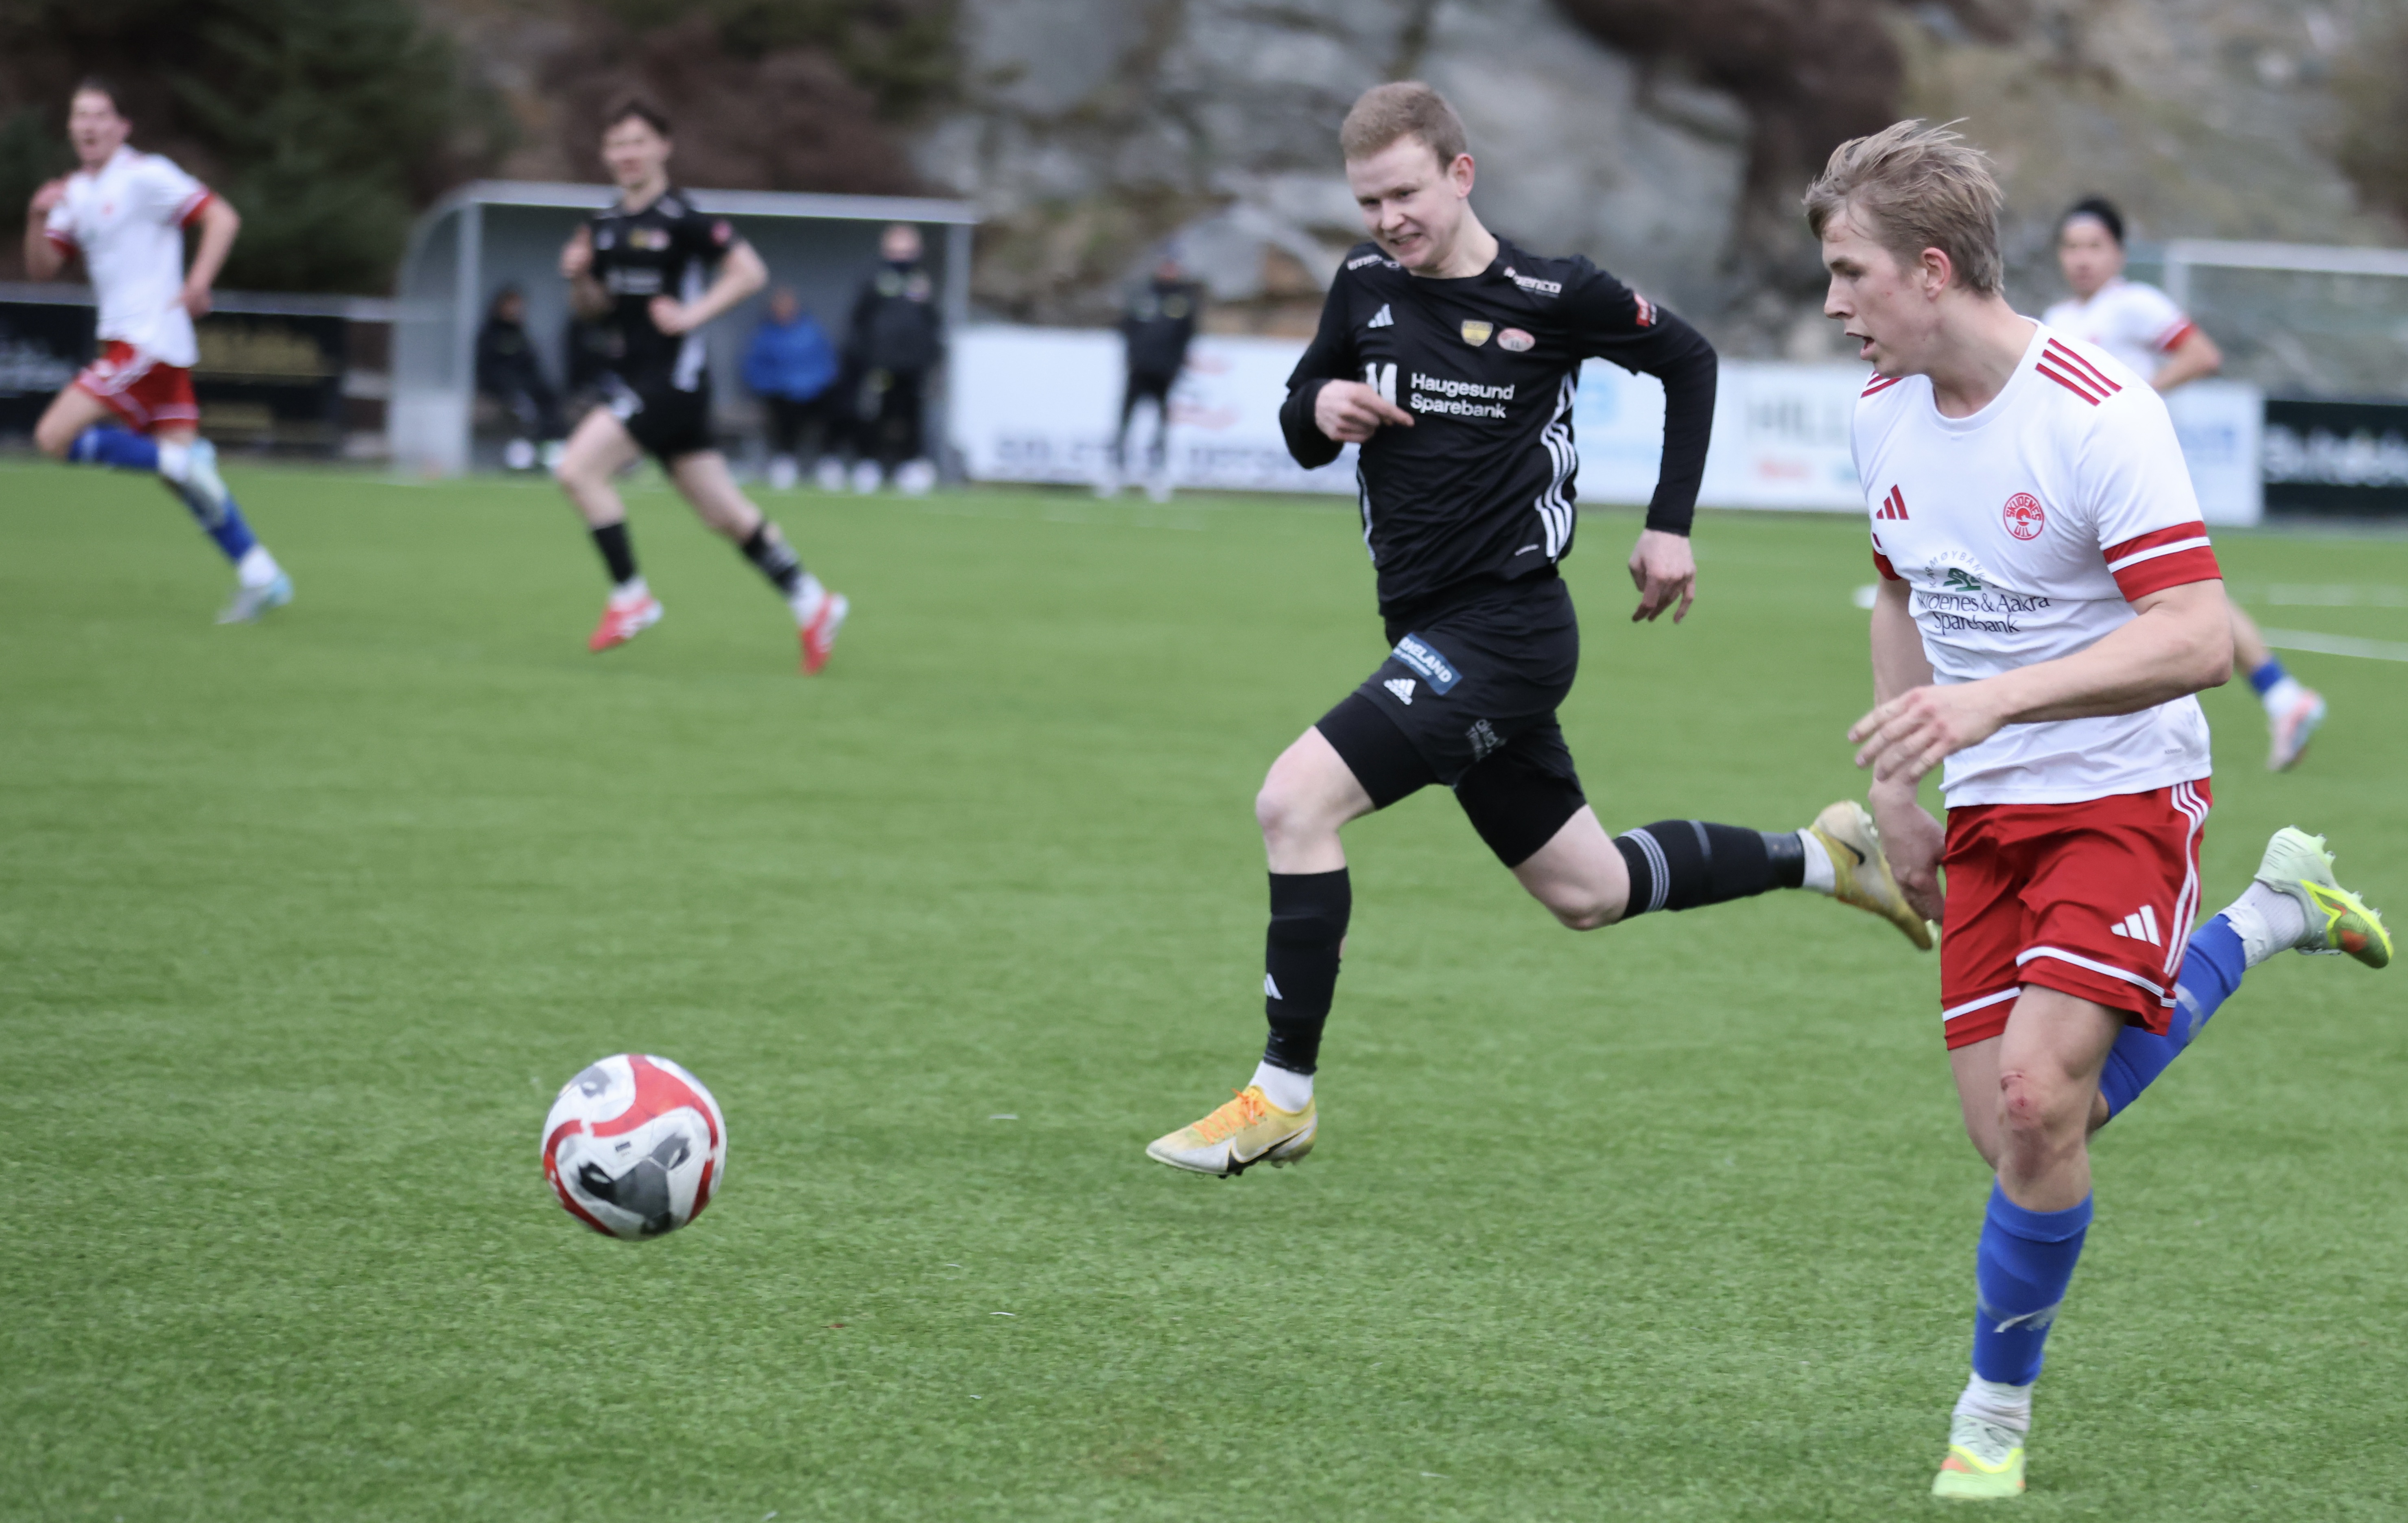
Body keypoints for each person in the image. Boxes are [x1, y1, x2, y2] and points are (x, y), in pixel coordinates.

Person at [1143, 82, 1934, 1180]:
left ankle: (1279, 1095)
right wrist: (1319, 407)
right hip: (1430, 631)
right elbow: (1300, 416)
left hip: (1506, 627)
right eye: (1367, 201)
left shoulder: (1550, 293)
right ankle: (1824, 854)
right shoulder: (1363, 286)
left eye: (1404, 193)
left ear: (1460, 174)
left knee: (1293, 800)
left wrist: (1668, 528)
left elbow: (1688, 361)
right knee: (1587, 890)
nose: (1386, 221)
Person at [1810, 122, 2391, 1502]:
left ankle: (1990, 1414)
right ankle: (2265, 916)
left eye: (1847, 274)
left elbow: (2194, 635)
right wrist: (1898, 786)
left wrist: (1991, 706)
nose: (1831, 305)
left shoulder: (2093, 409)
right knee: (2014, 1134)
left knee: (2031, 1096)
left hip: (2124, 791)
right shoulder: (1878, 414)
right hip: (1983, 807)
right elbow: (1894, 588)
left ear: (1930, 270)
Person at [553, 99, 848, 674]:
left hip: (674, 380)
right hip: (640, 378)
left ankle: (630, 595)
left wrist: (694, 315)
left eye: (638, 141)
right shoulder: (604, 226)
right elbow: (594, 311)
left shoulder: (684, 219)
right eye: (617, 144)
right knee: (725, 514)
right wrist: (580, 277)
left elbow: (749, 272)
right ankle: (813, 601)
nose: (627, 154)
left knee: (577, 470)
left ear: (663, 147)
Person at [2043, 196, 2327, 771]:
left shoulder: (2133, 305)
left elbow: (2200, 353)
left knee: (2170, 593)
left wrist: (2139, 393)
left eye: (2094, 246)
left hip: (2135, 473)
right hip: (2079, 480)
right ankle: (2279, 694)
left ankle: (2276, 695)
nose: (2081, 259)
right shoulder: (2057, 319)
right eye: (2071, 247)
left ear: (2119, 254)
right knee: (2138, 596)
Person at [22, 78, 291, 623]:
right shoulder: (74, 192)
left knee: (53, 436)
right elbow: (42, 268)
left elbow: (222, 216)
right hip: (153, 349)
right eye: (80, 116)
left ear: (123, 126)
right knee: (186, 484)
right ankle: (262, 575)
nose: (89, 125)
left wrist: (198, 282)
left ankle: (182, 460)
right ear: (71, 127)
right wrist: (34, 217)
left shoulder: (146, 175)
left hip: (145, 340)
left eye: (101, 115)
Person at [841, 222, 942, 495]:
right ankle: (869, 464)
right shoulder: (874, 280)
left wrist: (931, 357)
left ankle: (911, 465)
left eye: (907, 251)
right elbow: (859, 320)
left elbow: (934, 322)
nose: (902, 258)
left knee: (912, 414)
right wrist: (866, 356)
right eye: (896, 251)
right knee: (876, 413)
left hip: (914, 365)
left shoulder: (922, 284)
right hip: (881, 363)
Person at [1100, 252, 1203, 502]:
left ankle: (1157, 476)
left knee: (1161, 426)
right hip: (1138, 370)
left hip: (1165, 373)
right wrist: (1133, 359)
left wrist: (1175, 366)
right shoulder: (1143, 296)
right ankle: (1116, 473)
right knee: (1125, 423)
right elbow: (1127, 330)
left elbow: (1186, 338)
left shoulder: (1183, 302)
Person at [741, 286, 840, 491]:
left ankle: (828, 462)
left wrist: (811, 384)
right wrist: (778, 384)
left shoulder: (811, 331)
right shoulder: (765, 336)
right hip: (780, 392)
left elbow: (825, 363)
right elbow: (755, 368)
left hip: (813, 391)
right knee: (784, 412)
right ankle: (785, 460)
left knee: (836, 408)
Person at [475, 285, 565, 472]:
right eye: (512, 304)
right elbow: (488, 372)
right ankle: (521, 455)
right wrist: (512, 393)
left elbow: (533, 369)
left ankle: (550, 450)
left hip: (527, 392)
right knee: (520, 413)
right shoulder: (489, 335)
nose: (517, 309)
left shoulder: (522, 335)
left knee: (551, 404)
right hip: (501, 395)